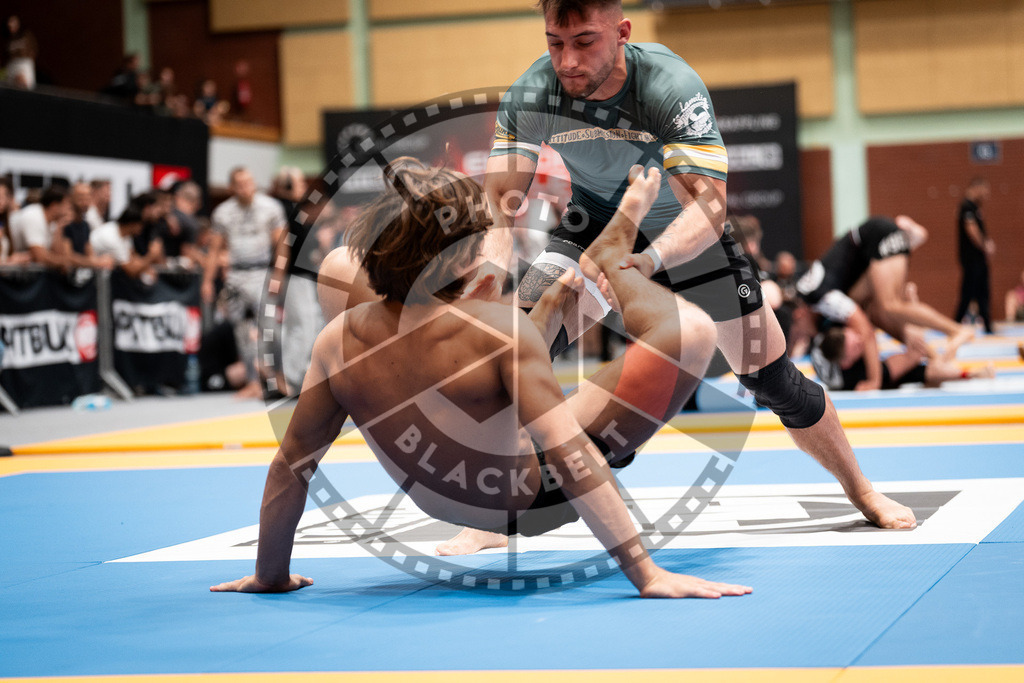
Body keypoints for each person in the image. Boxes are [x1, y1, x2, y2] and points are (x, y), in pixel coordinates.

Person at [464, 0, 914, 536]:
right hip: (596, 227)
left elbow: (708, 205)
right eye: (555, 43)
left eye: (585, 41)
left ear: (622, 33)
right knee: (512, 349)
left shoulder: (668, 86)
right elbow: (499, 206)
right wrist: (488, 281)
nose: (568, 61)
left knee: (774, 382)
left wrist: (647, 260)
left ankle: (861, 490)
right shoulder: (532, 94)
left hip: (688, 234)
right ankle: (496, 512)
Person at [212, 158, 752, 599]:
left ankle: (582, 279)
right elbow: (571, 456)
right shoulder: (499, 332)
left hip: (436, 493)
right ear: (467, 253)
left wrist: (270, 574)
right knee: (694, 333)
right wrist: (646, 573)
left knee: (341, 269)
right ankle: (607, 261)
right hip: (522, 496)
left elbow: (292, 464)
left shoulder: (337, 341)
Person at [796, 215, 974, 371]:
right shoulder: (817, 306)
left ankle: (957, 330)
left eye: (798, 333)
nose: (803, 338)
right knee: (877, 314)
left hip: (876, 237)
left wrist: (873, 379)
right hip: (868, 258)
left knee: (890, 305)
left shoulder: (819, 297)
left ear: (800, 314)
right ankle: (934, 357)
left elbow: (865, 330)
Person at [203, 167, 286, 396]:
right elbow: (214, 249)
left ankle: (278, 375)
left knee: (270, 327)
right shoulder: (222, 212)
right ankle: (253, 381)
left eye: (249, 182)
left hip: (262, 272)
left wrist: (278, 275)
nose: (245, 187)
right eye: (239, 183)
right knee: (240, 329)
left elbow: (282, 244)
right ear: (232, 187)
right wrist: (207, 282)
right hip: (235, 275)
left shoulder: (271, 207)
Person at [811, 324, 995, 392]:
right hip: (879, 377)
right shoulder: (858, 377)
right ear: (846, 362)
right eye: (858, 346)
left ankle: (957, 350)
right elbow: (912, 358)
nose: (864, 340)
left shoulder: (829, 331)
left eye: (858, 337)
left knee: (931, 373)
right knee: (930, 373)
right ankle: (962, 359)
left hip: (836, 358)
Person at [954, 178, 995, 334]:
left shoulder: (974, 207)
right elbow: (972, 230)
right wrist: (985, 246)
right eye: (984, 191)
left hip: (978, 259)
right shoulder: (967, 207)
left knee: (982, 292)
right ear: (976, 188)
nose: (986, 195)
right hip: (972, 259)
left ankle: (988, 326)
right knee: (968, 293)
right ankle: (955, 324)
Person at [8, 184, 71, 269]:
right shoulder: (34, 216)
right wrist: (64, 262)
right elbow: (40, 257)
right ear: (54, 206)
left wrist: (60, 227)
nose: (69, 210)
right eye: (66, 205)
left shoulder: (53, 223)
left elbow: (57, 254)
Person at [54, 182, 115, 270]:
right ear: (71, 198)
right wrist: (95, 262)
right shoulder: (64, 224)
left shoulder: (85, 225)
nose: (85, 201)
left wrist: (100, 260)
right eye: (81, 197)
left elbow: (89, 253)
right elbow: (67, 257)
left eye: (88, 197)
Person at [90, 206, 158, 279]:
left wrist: (145, 267)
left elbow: (133, 257)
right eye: (141, 225)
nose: (142, 229)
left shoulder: (125, 233)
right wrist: (151, 256)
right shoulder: (111, 238)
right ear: (133, 225)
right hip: (91, 279)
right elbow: (131, 271)